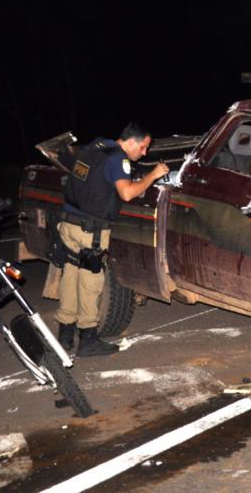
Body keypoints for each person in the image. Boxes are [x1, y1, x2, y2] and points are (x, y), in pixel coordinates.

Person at [56, 122, 169, 356]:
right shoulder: (119, 160)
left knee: (70, 276)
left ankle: (65, 336)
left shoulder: (94, 147)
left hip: (69, 223)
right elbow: (127, 193)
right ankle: (87, 340)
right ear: (131, 142)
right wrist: (154, 175)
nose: (145, 153)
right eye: (144, 147)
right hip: (91, 232)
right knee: (90, 284)